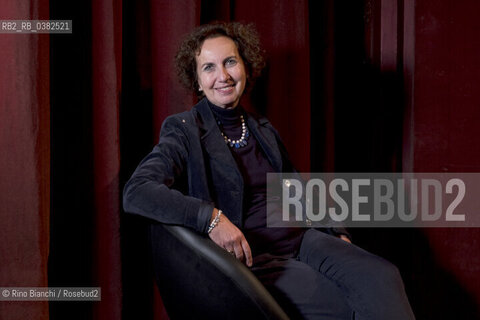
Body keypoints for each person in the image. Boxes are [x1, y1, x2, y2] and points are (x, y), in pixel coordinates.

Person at [123, 21, 415, 319]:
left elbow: (297, 189)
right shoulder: (184, 130)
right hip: (258, 257)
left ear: (245, 68)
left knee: (382, 276)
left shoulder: (262, 129)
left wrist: (334, 231)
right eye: (209, 68)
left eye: (230, 62)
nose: (222, 76)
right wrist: (211, 218)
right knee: (339, 305)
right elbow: (137, 191)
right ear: (197, 81)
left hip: (303, 240)